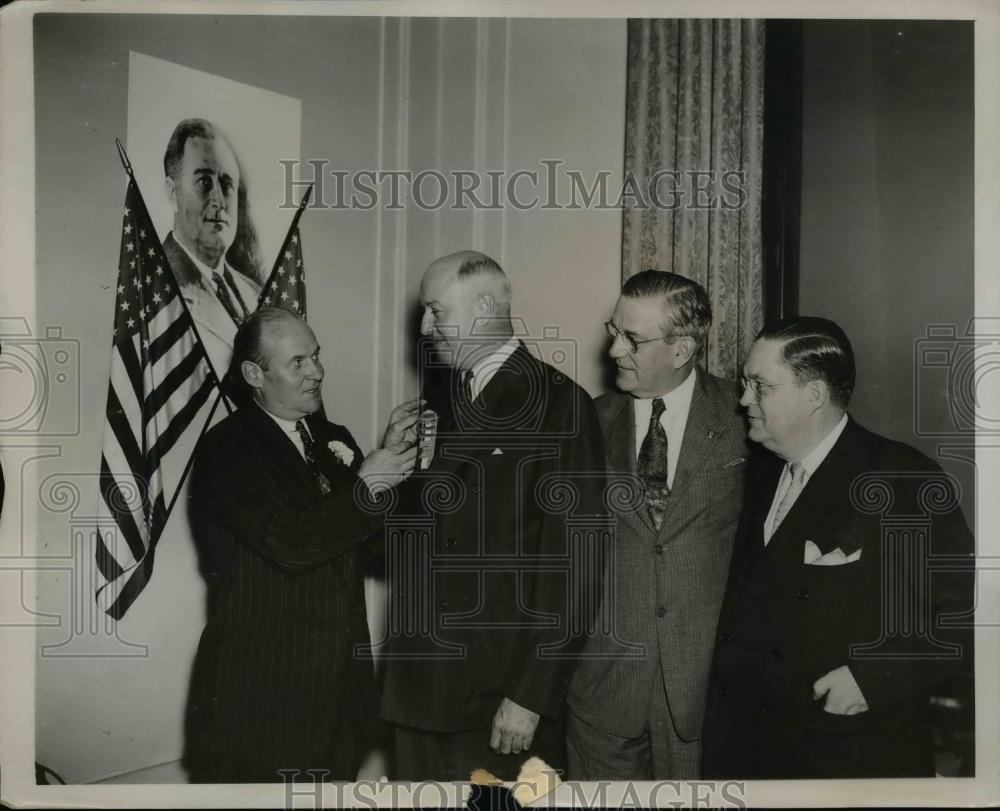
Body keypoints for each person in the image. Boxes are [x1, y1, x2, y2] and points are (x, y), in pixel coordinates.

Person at [701, 316, 974, 778]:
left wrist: (873, 680)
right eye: (744, 383)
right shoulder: (760, 472)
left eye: (760, 386)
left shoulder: (900, 478)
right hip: (753, 750)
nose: (743, 399)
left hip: (847, 756)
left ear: (813, 395)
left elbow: (962, 613)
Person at [380, 251, 607, 781]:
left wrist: (531, 694)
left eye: (436, 310)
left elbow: (578, 566)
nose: (423, 327)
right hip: (418, 688)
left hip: (497, 695)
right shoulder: (442, 397)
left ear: (484, 306)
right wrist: (388, 477)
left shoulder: (560, 405)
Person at [183, 307, 420, 782]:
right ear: (254, 373)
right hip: (263, 703)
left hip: (340, 699)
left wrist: (396, 470)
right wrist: (367, 485)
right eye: (298, 362)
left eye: (316, 356)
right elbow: (292, 543)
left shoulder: (333, 439)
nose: (317, 371)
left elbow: (370, 550)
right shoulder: (228, 450)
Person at [565, 270, 747, 779]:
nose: (614, 350)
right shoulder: (587, 423)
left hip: (703, 689)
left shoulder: (743, 421)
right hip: (602, 688)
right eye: (613, 330)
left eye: (633, 339)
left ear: (682, 347)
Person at [162, 118, 261, 378]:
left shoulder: (254, 293)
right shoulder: (158, 287)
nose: (219, 201)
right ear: (173, 193)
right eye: (205, 183)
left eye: (227, 185)